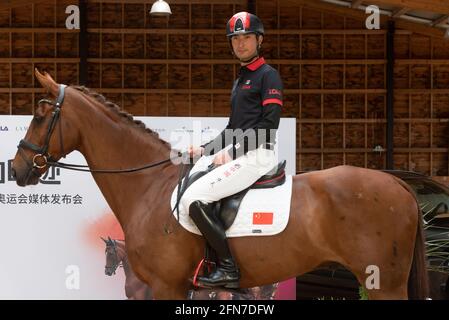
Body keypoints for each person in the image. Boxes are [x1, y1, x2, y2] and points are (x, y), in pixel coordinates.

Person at [182, 11, 283, 289]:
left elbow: (269, 125)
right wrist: (205, 150)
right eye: (235, 39)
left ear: (259, 40)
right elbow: (232, 127)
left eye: (247, 38)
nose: (240, 44)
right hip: (243, 152)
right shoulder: (240, 80)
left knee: (194, 199)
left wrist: (234, 152)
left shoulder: (268, 76)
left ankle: (228, 267)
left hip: (257, 155)